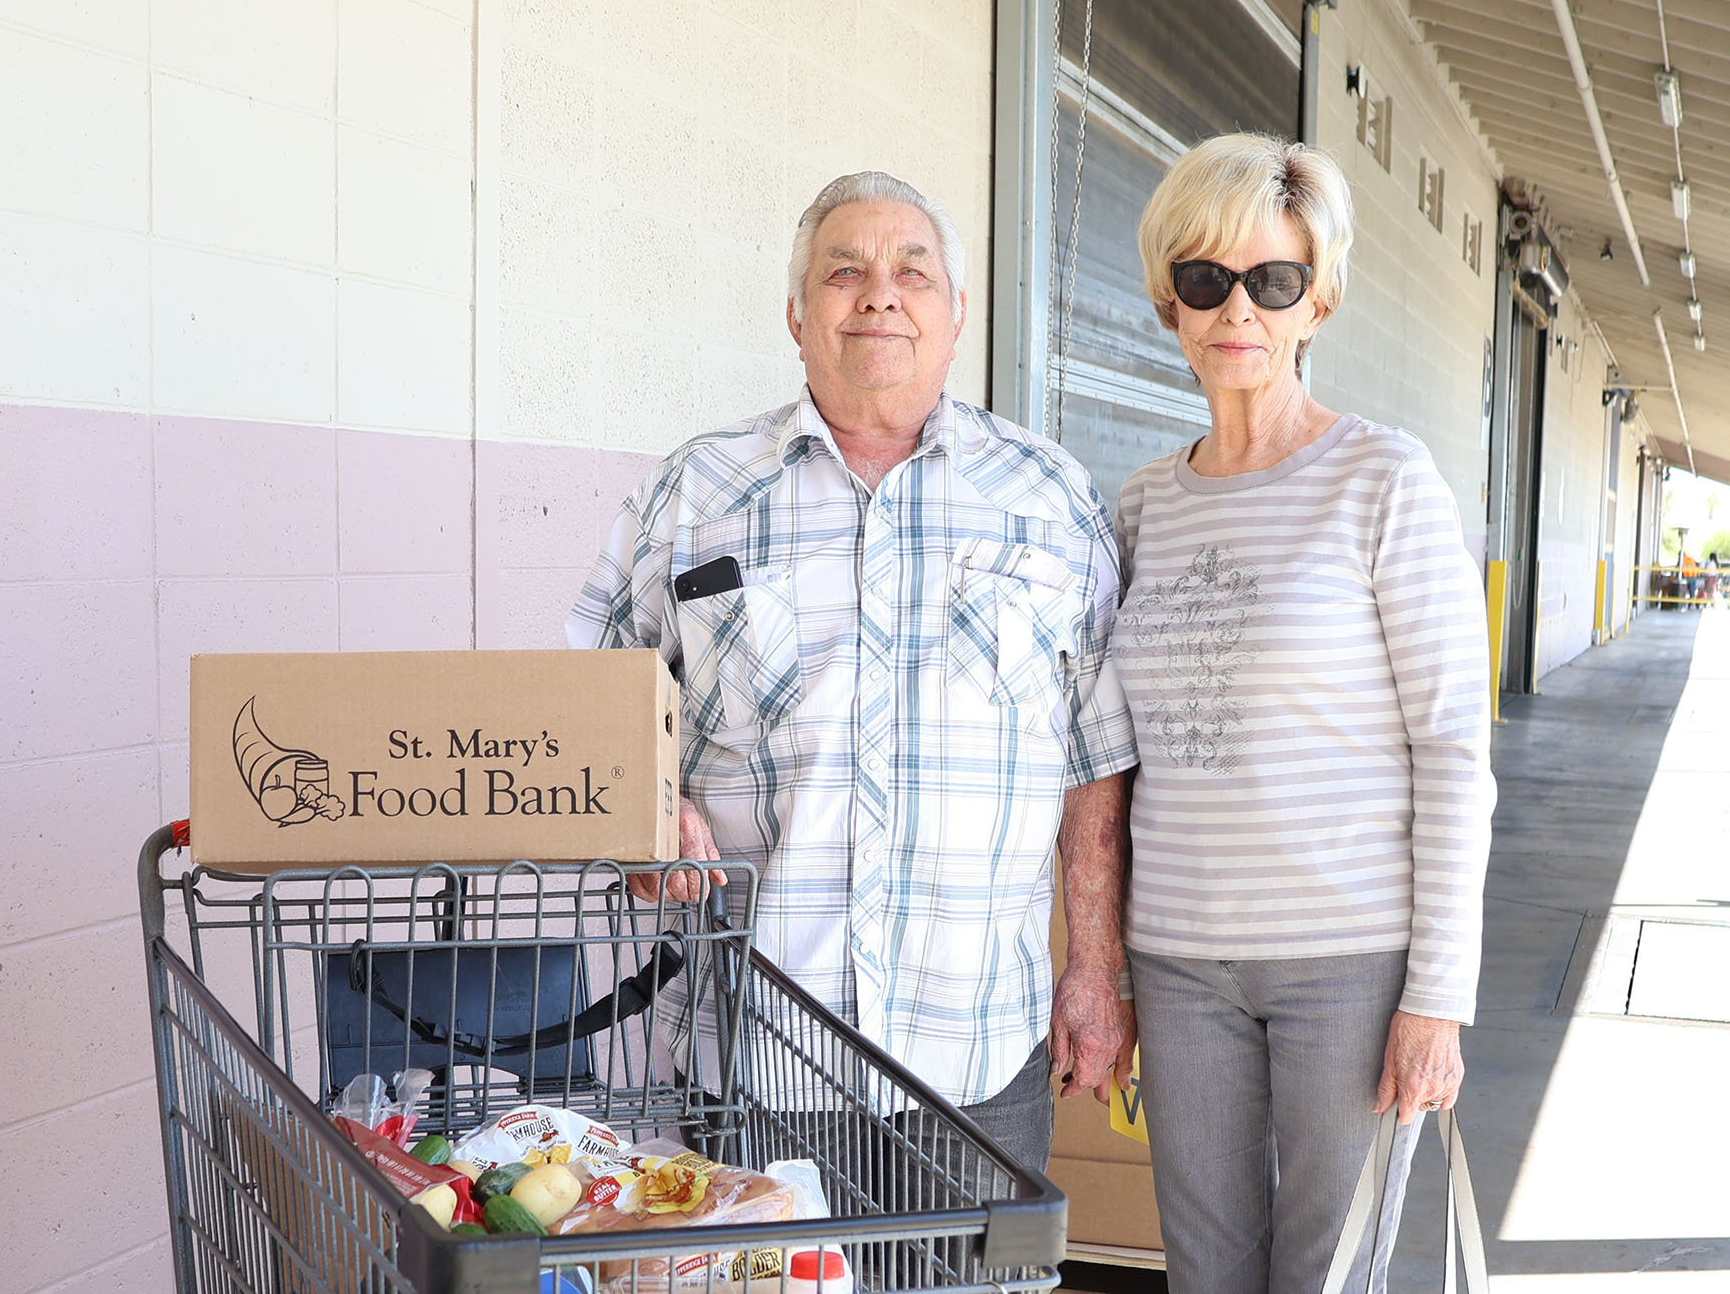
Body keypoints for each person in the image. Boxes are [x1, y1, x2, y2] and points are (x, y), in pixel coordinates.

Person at [567, 171, 1139, 1174]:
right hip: (748, 1054)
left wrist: (1095, 966)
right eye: (846, 271)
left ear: (957, 315)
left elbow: (1095, 762)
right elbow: (589, 704)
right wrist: (640, 816)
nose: (880, 293)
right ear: (798, 315)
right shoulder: (696, 491)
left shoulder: (1050, 498)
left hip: (974, 1057)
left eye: (912, 272)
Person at [1105, 133, 1496, 1293]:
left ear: (1316, 298)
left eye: (1272, 280)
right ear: (1166, 296)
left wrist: (1439, 994)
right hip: (1176, 960)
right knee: (1204, 1271)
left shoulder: (1384, 481)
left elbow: (1455, 751)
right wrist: (1109, 966)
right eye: (1206, 279)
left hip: (1350, 962)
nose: (1239, 310)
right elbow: (1117, 755)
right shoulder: (1139, 504)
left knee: (1330, 1276)